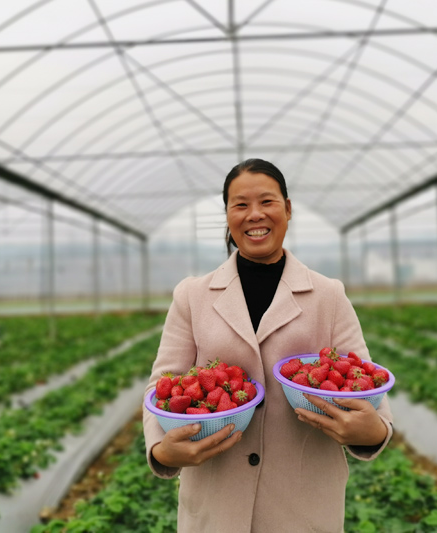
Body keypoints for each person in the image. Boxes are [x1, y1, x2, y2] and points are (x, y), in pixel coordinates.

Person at [142, 159, 393, 533]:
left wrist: (370, 432)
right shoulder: (192, 295)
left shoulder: (328, 295)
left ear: (288, 209)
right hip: (217, 505)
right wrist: (162, 450)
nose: (254, 214)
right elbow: (161, 385)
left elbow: (371, 393)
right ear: (227, 215)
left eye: (267, 202)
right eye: (240, 205)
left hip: (304, 506)